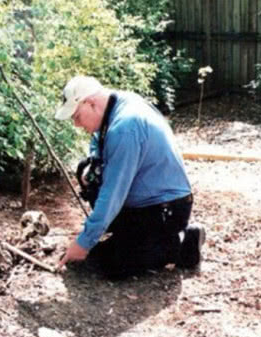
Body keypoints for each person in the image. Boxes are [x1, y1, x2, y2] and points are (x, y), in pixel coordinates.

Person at [54, 75, 205, 276]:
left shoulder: (125, 127)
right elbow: (98, 138)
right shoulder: (115, 104)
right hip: (145, 202)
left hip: (165, 209)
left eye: (76, 116)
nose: (76, 124)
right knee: (86, 167)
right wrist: (94, 162)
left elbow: (112, 193)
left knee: (110, 264)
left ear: (90, 103)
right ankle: (132, 237)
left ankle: (181, 243)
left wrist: (83, 243)